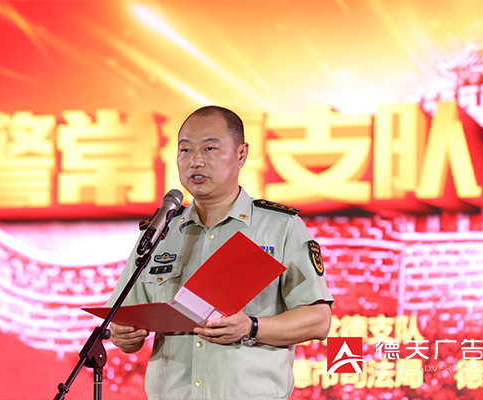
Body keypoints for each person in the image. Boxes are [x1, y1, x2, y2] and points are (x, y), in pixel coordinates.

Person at [107, 105, 333, 399]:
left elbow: (318, 319)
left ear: (241, 154)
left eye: (210, 148)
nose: (195, 161)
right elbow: (124, 317)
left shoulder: (279, 227)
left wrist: (251, 327)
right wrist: (124, 335)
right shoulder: (160, 231)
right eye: (185, 150)